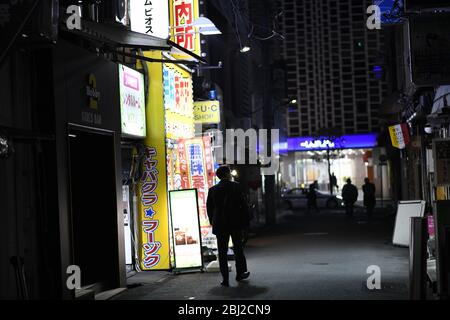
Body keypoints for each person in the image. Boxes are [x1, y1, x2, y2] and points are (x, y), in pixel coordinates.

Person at [206, 166, 251, 287]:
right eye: (229, 172)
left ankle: (225, 278)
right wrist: (246, 222)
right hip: (235, 223)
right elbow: (244, 205)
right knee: (238, 248)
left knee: (222, 251)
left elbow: (209, 209)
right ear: (227, 174)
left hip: (220, 224)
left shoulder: (213, 190)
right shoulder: (236, 186)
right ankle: (240, 273)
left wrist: (213, 221)